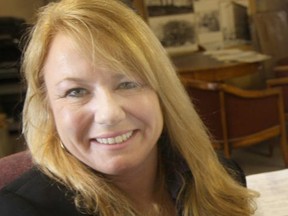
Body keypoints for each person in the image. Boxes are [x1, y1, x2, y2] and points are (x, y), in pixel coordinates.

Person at [0, 0, 257, 215]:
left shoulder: (223, 177)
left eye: (128, 83)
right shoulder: (21, 209)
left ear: (162, 92)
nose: (109, 114)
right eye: (75, 91)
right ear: (48, 108)